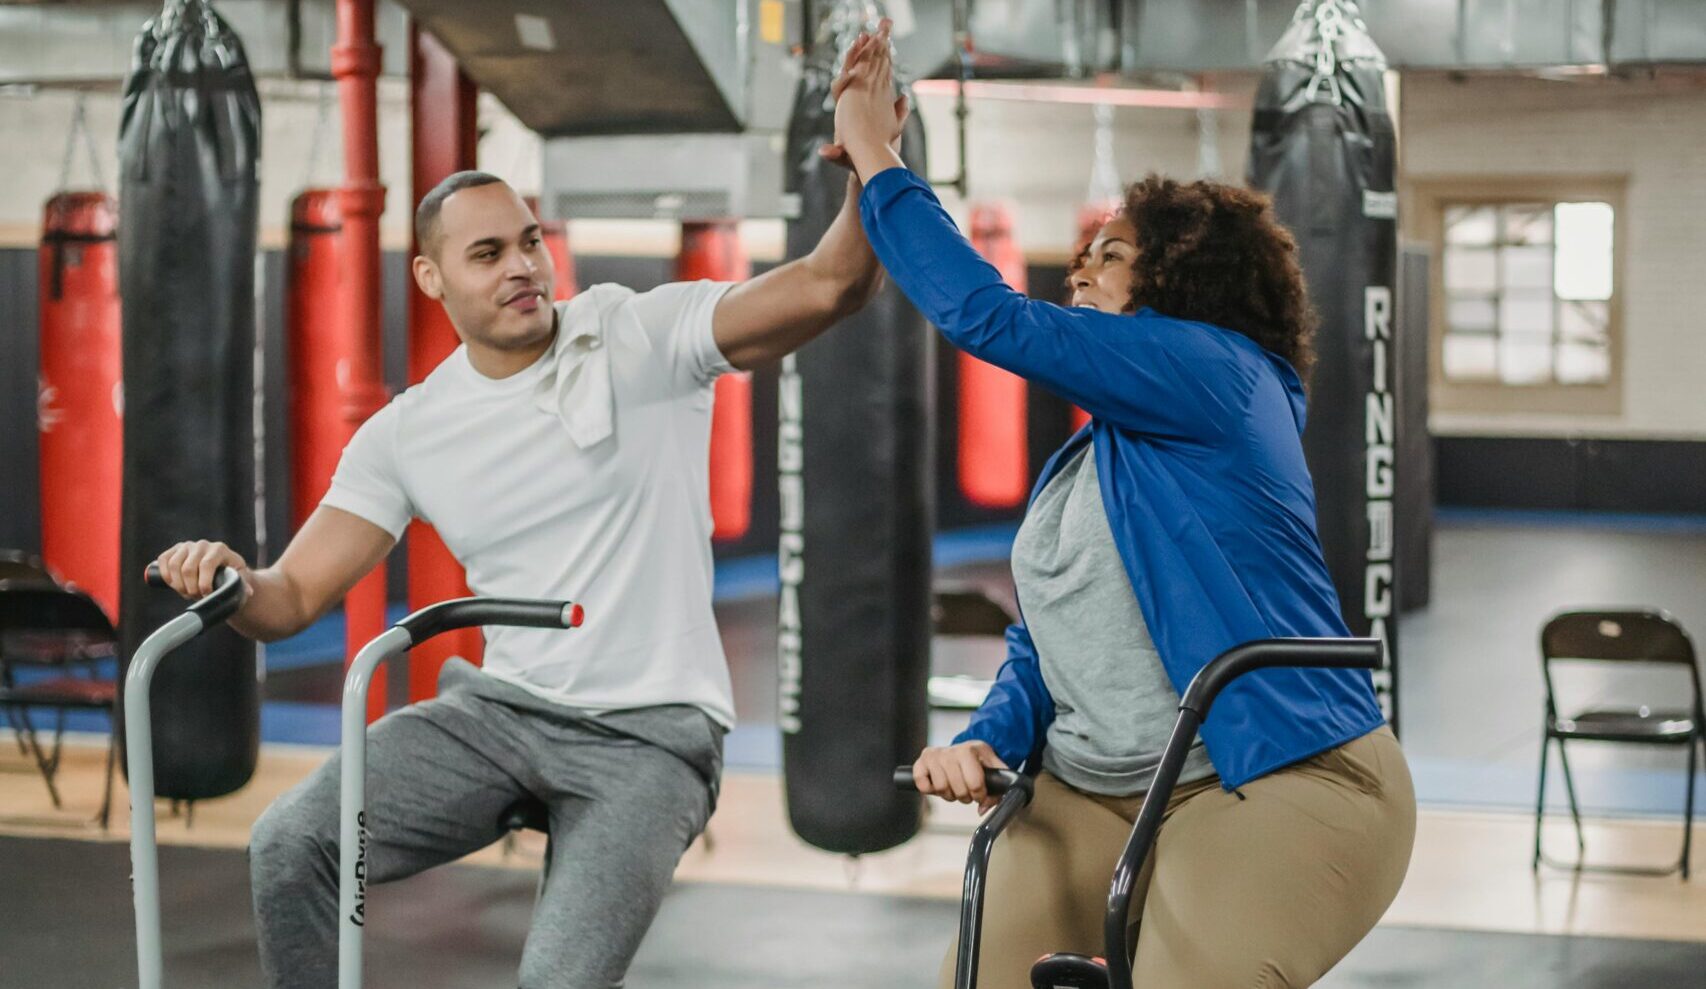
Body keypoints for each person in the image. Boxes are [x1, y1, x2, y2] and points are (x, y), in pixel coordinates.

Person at [151, 151, 905, 988]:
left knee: (557, 979)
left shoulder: (636, 334)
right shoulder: (410, 431)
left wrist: (871, 154)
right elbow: (288, 596)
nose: (520, 268)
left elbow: (836, 283)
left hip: (651, 734)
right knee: (290, 842)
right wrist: (232, 578)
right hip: (500, 717)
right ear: (431, 277)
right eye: (486, 254)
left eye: (529, 242)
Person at [830, 23, 1416, 989]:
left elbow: (988, 314)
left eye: (1109, 256)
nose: (1081, 271)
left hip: (1277, 775)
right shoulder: (1089, 459)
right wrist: (990, 734)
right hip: (1099, 789)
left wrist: (873, 147)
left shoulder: (1224, 375)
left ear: (1186, 280)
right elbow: (1049, 644)